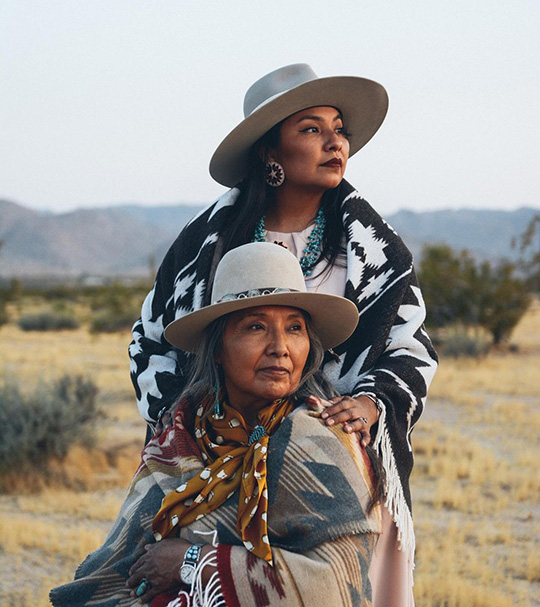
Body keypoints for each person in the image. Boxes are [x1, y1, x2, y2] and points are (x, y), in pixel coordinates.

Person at [129, 63, 438, 604]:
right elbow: (152, 339)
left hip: (335, 469)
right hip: (214, 465)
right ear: (271, 152)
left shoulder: (377, 251)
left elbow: (410, 347)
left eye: (339, 128)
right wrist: (183, 423)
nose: (335, 141)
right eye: (312, 129)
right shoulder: (203, 247)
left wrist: (371, 404)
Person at [50, 242, 384, 607]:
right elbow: (124, 566)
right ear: (219, 348)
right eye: (256, 326)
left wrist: (192, 562)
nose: (280, 347)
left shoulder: (322, 438)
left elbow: (337, 587)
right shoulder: (181, 435)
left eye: (295, 328)